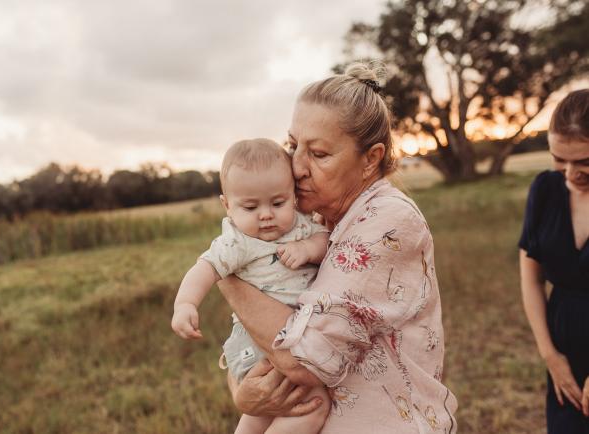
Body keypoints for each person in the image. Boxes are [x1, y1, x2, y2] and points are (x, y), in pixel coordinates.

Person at [216, 62, 458, 433]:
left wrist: (225, 275)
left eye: (319, 154)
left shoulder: (387, 220)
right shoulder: (310, 221)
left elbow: (305, 359)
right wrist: (243, 392)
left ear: (370, 159)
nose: (296, 167)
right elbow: (251, 336)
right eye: (293, 145)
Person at [171, 138, 332, 433]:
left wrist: (308, 248)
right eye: (250, 206)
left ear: (293, 197)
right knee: (313, 405)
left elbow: (325, 241)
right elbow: (204, 268)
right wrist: (185, 304)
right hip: (256, 343)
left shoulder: (301, 226)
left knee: (264, 411)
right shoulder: (237, 241)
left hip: (280, 336)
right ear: (227, 206)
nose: (266, 214)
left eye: (278, 202)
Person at [519, 89, 589, 433]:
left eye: (584, 162)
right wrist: (550, 356)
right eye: (560, 159)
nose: (570, 173)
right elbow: (531, 279)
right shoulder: (545, 191)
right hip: (563, 352)